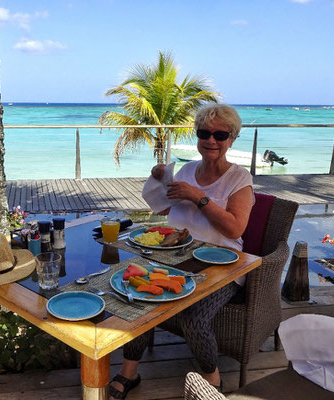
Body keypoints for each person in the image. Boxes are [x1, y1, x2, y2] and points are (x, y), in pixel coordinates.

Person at [109, 103, 255, 399]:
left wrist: (199, 197)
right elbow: (162, 206)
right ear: (197, 135)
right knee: (136, 297)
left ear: (232, 138)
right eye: (204, 132)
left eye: (220, 134)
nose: (211, 140)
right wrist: (158, 178)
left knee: (193, 317)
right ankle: (129, 372)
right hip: (176, 257)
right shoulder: (187, 170)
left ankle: (213, 382)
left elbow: (235, 229)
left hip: (221, 264)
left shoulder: (239, 179)